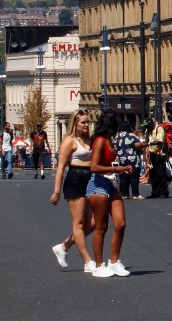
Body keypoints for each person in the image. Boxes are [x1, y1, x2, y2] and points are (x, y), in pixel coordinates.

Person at [85, 112, 132, 277]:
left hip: (111, 184)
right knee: (101, 227)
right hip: (98, 184)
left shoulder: (109, 140)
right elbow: (94, 167)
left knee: (120, 224)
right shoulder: (99, 142)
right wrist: (117, 169)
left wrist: (122, 168)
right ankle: (98, 265)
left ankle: (114, 262)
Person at [50, 110, 96, 271]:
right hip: (75, 179)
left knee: (93, 223)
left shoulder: (88, 140)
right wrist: (56, 192)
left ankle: (63, 247)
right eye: (83, 122)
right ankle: (88, 262)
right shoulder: (69, 141)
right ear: (75, 124)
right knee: (79, 223)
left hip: (89, 180)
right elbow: (61, 167)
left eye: (87, 122)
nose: (86, 125)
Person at [113, 121, 145, 200]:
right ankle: (135, 194)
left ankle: (125, 194)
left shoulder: (117, 136)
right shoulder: (131, 135)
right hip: (132, 159)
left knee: (124, 177)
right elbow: (138, 144)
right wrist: (142, 148)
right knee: (134, 177)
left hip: (120, 159)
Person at [144, 119, 169, 199]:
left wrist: (149, 143)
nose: (147, 127)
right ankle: (155, 192)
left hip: (159, 153)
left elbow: (160, 141)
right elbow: (146, 141)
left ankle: (164, 192)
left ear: (151, 124)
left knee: (160, 174)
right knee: (152, 174)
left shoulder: (159, 129)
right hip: (151, 154)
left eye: (148, 126)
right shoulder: (148, 131)